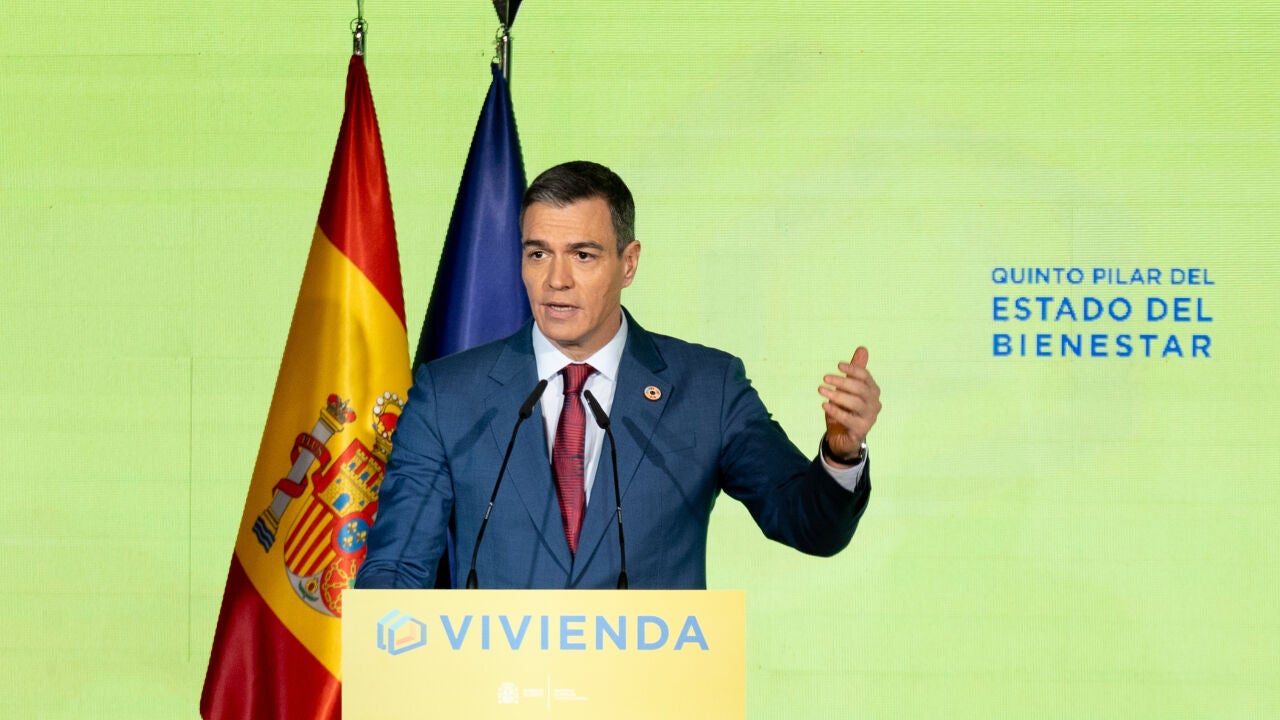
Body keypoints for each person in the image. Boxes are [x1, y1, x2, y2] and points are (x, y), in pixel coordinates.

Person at [356, 161, 881, 590]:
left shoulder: (708, 389)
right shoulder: (449, 396)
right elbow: (395, 570)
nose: (556, 280)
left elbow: (810, 526)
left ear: (628, 264)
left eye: (582, 255)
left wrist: (841, 455)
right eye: (538, 254)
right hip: (499, 682)